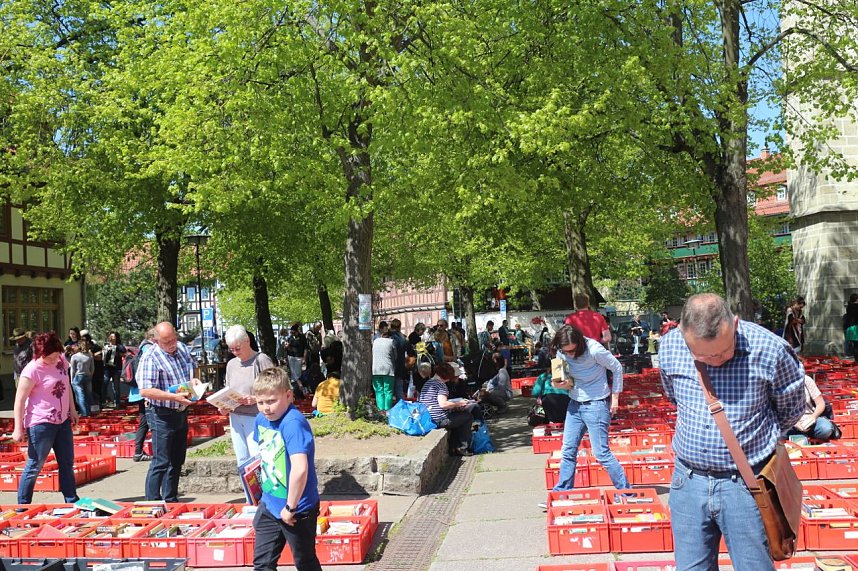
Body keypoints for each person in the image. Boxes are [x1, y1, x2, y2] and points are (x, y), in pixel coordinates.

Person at [659, 293, 805, 570]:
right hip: (688, 480)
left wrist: (755, 441)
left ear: (735, 324)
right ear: (683, 333)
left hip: (746, 483)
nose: (715, 361)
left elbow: (791, 409)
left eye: (723, 351)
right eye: (703, 355)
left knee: (754, 566)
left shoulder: (771, 350)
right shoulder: (670, 345)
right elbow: (673, 396)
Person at [251, 367, 322, 571]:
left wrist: (290, 508)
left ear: (288, 395)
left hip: (297, 508)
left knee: (305, 562)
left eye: (272, 401)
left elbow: (300, 468)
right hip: (270, 503)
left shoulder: (293, 423)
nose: (266, 408)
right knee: (262, 563)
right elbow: (264, 455)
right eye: (261, 402)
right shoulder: (261, 419)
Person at [550, 324, 629, 492]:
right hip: (574, 404)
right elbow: (563, 380)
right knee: (568, 450)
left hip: (596, 405)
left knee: (601, 453)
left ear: (579, 343)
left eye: (572, 351)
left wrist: (615, 398)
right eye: (566, 351)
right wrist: (559, 383)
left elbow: (617, 368)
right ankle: (562, 492)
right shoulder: (560, 352)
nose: (569, 354)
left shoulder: (594, 349)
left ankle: (626, 491)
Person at [12, 331, 80, 504]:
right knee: (35, 465)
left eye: (55, 355)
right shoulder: (32, 370)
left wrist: (72, 409)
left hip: (62, 420)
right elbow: (19, 400)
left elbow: (67, 386)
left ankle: (71, 499)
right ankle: (23, 505)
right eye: (48, 357)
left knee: (66, 463)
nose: (52, 360)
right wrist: (18, 428)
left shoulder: (61, 361)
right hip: (41, 423)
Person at [138, 321, 201, 502]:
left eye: (173, 339)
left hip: (181, 410)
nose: (172, 344)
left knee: (177, 459)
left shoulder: (181, 348)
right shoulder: (150, 357)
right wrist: (173, 397)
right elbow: (145, 390)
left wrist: (194, 381)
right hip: (161, 413)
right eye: (167, 342)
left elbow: (191, 368)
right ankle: (152, 502)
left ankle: (170, 498)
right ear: (157, 341)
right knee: (161, 461)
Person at [221, 325, 276, 467]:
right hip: (235, 417)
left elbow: (276, 389)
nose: (234, 352)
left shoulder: (261, 360)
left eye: (237, 348)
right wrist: (223, 405)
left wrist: (255, 399)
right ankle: (249, 490)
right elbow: (228, 389)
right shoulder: (231, 364)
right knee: (243, 461)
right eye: (231, 349)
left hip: (256, 417)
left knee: (258, 459)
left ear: (247, 341)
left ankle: (264, 489)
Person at [418, 362, 483, 456]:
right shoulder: (441, 385)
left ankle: (454, 446)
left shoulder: (428, 383)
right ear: (446, 376)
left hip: (428, 417)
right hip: (439, 419)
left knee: (458, 418)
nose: (449, 379)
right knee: (467, 417)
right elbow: (443, 404)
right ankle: (462, 447)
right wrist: (459, 403)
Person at [130, 328, 157, 462]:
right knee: (146, 421)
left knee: (145, 421)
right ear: (153, 337)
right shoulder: (148, 349)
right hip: (145, 392)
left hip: (139, 391)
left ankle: (138, 451)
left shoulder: (142, 347)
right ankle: (138, 451)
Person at [787, 374, 838, 442]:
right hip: (788, 423)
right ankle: (799, 437)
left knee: (826, 428)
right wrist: (794, 422)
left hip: (809, 419)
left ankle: (803, 437)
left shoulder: (806, 380)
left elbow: (820, 403)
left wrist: (813, 416)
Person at [371, 328, 397, 411]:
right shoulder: (391, 342)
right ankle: (387, 410)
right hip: (388, 369)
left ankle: (380, 409)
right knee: (388, 391)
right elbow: (395, 356)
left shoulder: (375, 341)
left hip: (375, 369)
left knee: (378, 391)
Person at [102, 331, 127, 408]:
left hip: (116, 368)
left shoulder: (119, 346)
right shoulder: (106, 345)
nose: (112, 338)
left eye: (113, 337)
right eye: (111, 336)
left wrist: (115, 347)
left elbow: (124, 351)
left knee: (116, 386)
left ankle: (117, 403)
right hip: (107, 368)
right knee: (104, 383)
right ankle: (103, 401)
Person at [69, 342, 94, 418]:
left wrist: (72, 379)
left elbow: (72, 369)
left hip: (78, 377)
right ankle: (89, 411)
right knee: (88, 394)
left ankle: (84, 413)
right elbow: (92, 368)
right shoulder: (90, 356)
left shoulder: (74, 356)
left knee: (80, 396)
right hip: (88, 376)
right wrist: (90, 375)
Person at [388, 319, 409, 403]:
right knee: (399, 389)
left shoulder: (390, 337)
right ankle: (401, 407)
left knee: (388, 390)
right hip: (400, 364)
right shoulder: (403, 337)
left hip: (391, 365)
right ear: (399, 326)